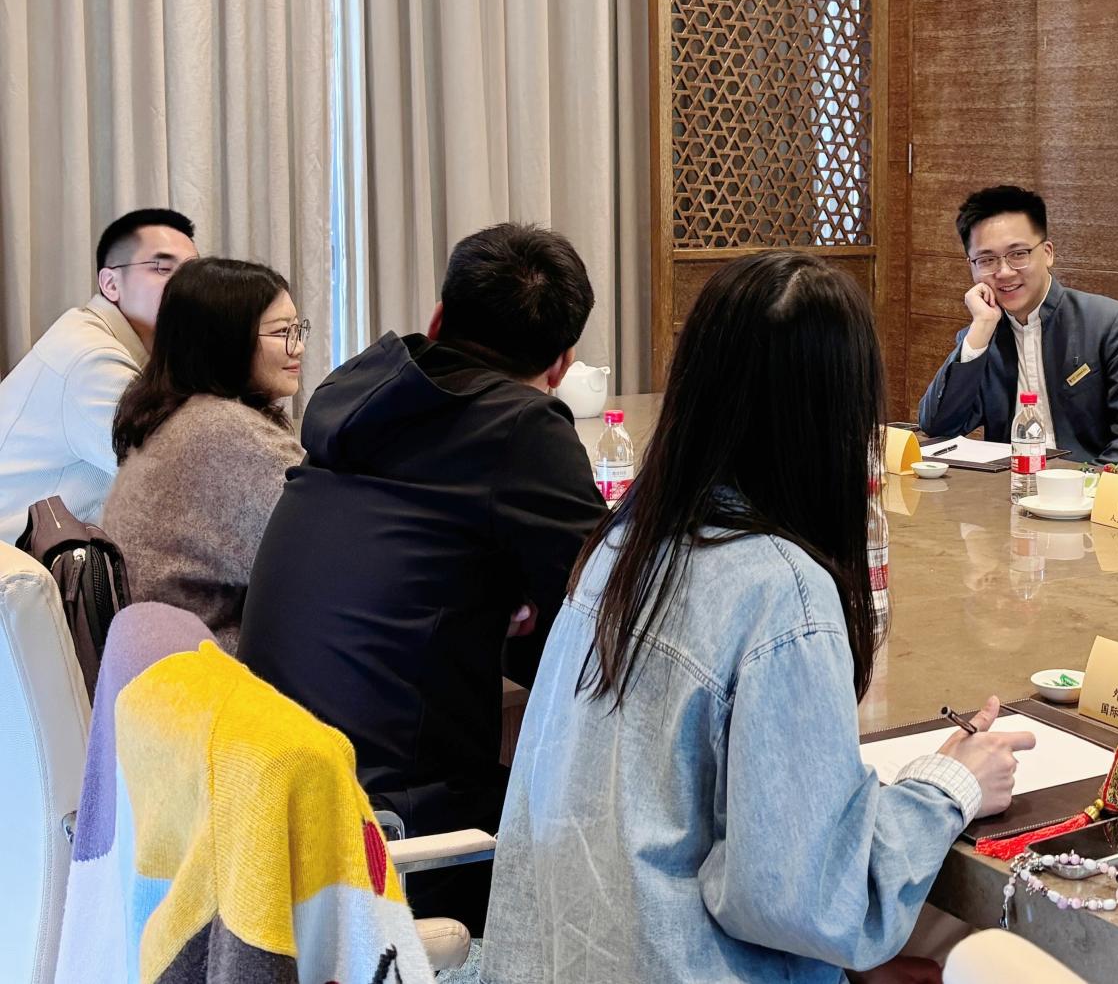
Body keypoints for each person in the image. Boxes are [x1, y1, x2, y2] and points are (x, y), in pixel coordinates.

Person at [482, 251, 1032, 984]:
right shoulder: (781, 591)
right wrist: (950, 785)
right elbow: (807, 899)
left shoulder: (621, 543)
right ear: (837, 414)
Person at [237, 223, 606, 929]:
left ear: (437, 321)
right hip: (391, 842)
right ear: (561, 365)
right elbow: (606, 620)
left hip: (279, 806)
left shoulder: (358, 399)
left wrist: (483, 604)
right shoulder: (520, 428)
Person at [101, 259, 305, 649]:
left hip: (159, 656)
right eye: (282, 332)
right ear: (226, 339)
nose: (298, 346)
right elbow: (325, 543)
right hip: (211, 664)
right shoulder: (222, 432)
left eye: (298, 329)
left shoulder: (171, 413)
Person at [917, 185, 1118, 476]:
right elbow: (938, 426)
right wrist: (981, 329)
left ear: (1047, 253)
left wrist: (1070, 486)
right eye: (986, 260)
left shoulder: (1111, 324)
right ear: (972, 267)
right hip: (1010, 491)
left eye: (1018, 254)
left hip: (1091, 491)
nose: (1004, 272)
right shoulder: (984, 336)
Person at [0, 208, 198, 542]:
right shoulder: (92, 359)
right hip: (19, 565)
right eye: (163, 268)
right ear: (110, 284)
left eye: (192, 272)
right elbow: (179, 481)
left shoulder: (117, 345)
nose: (185, 285)